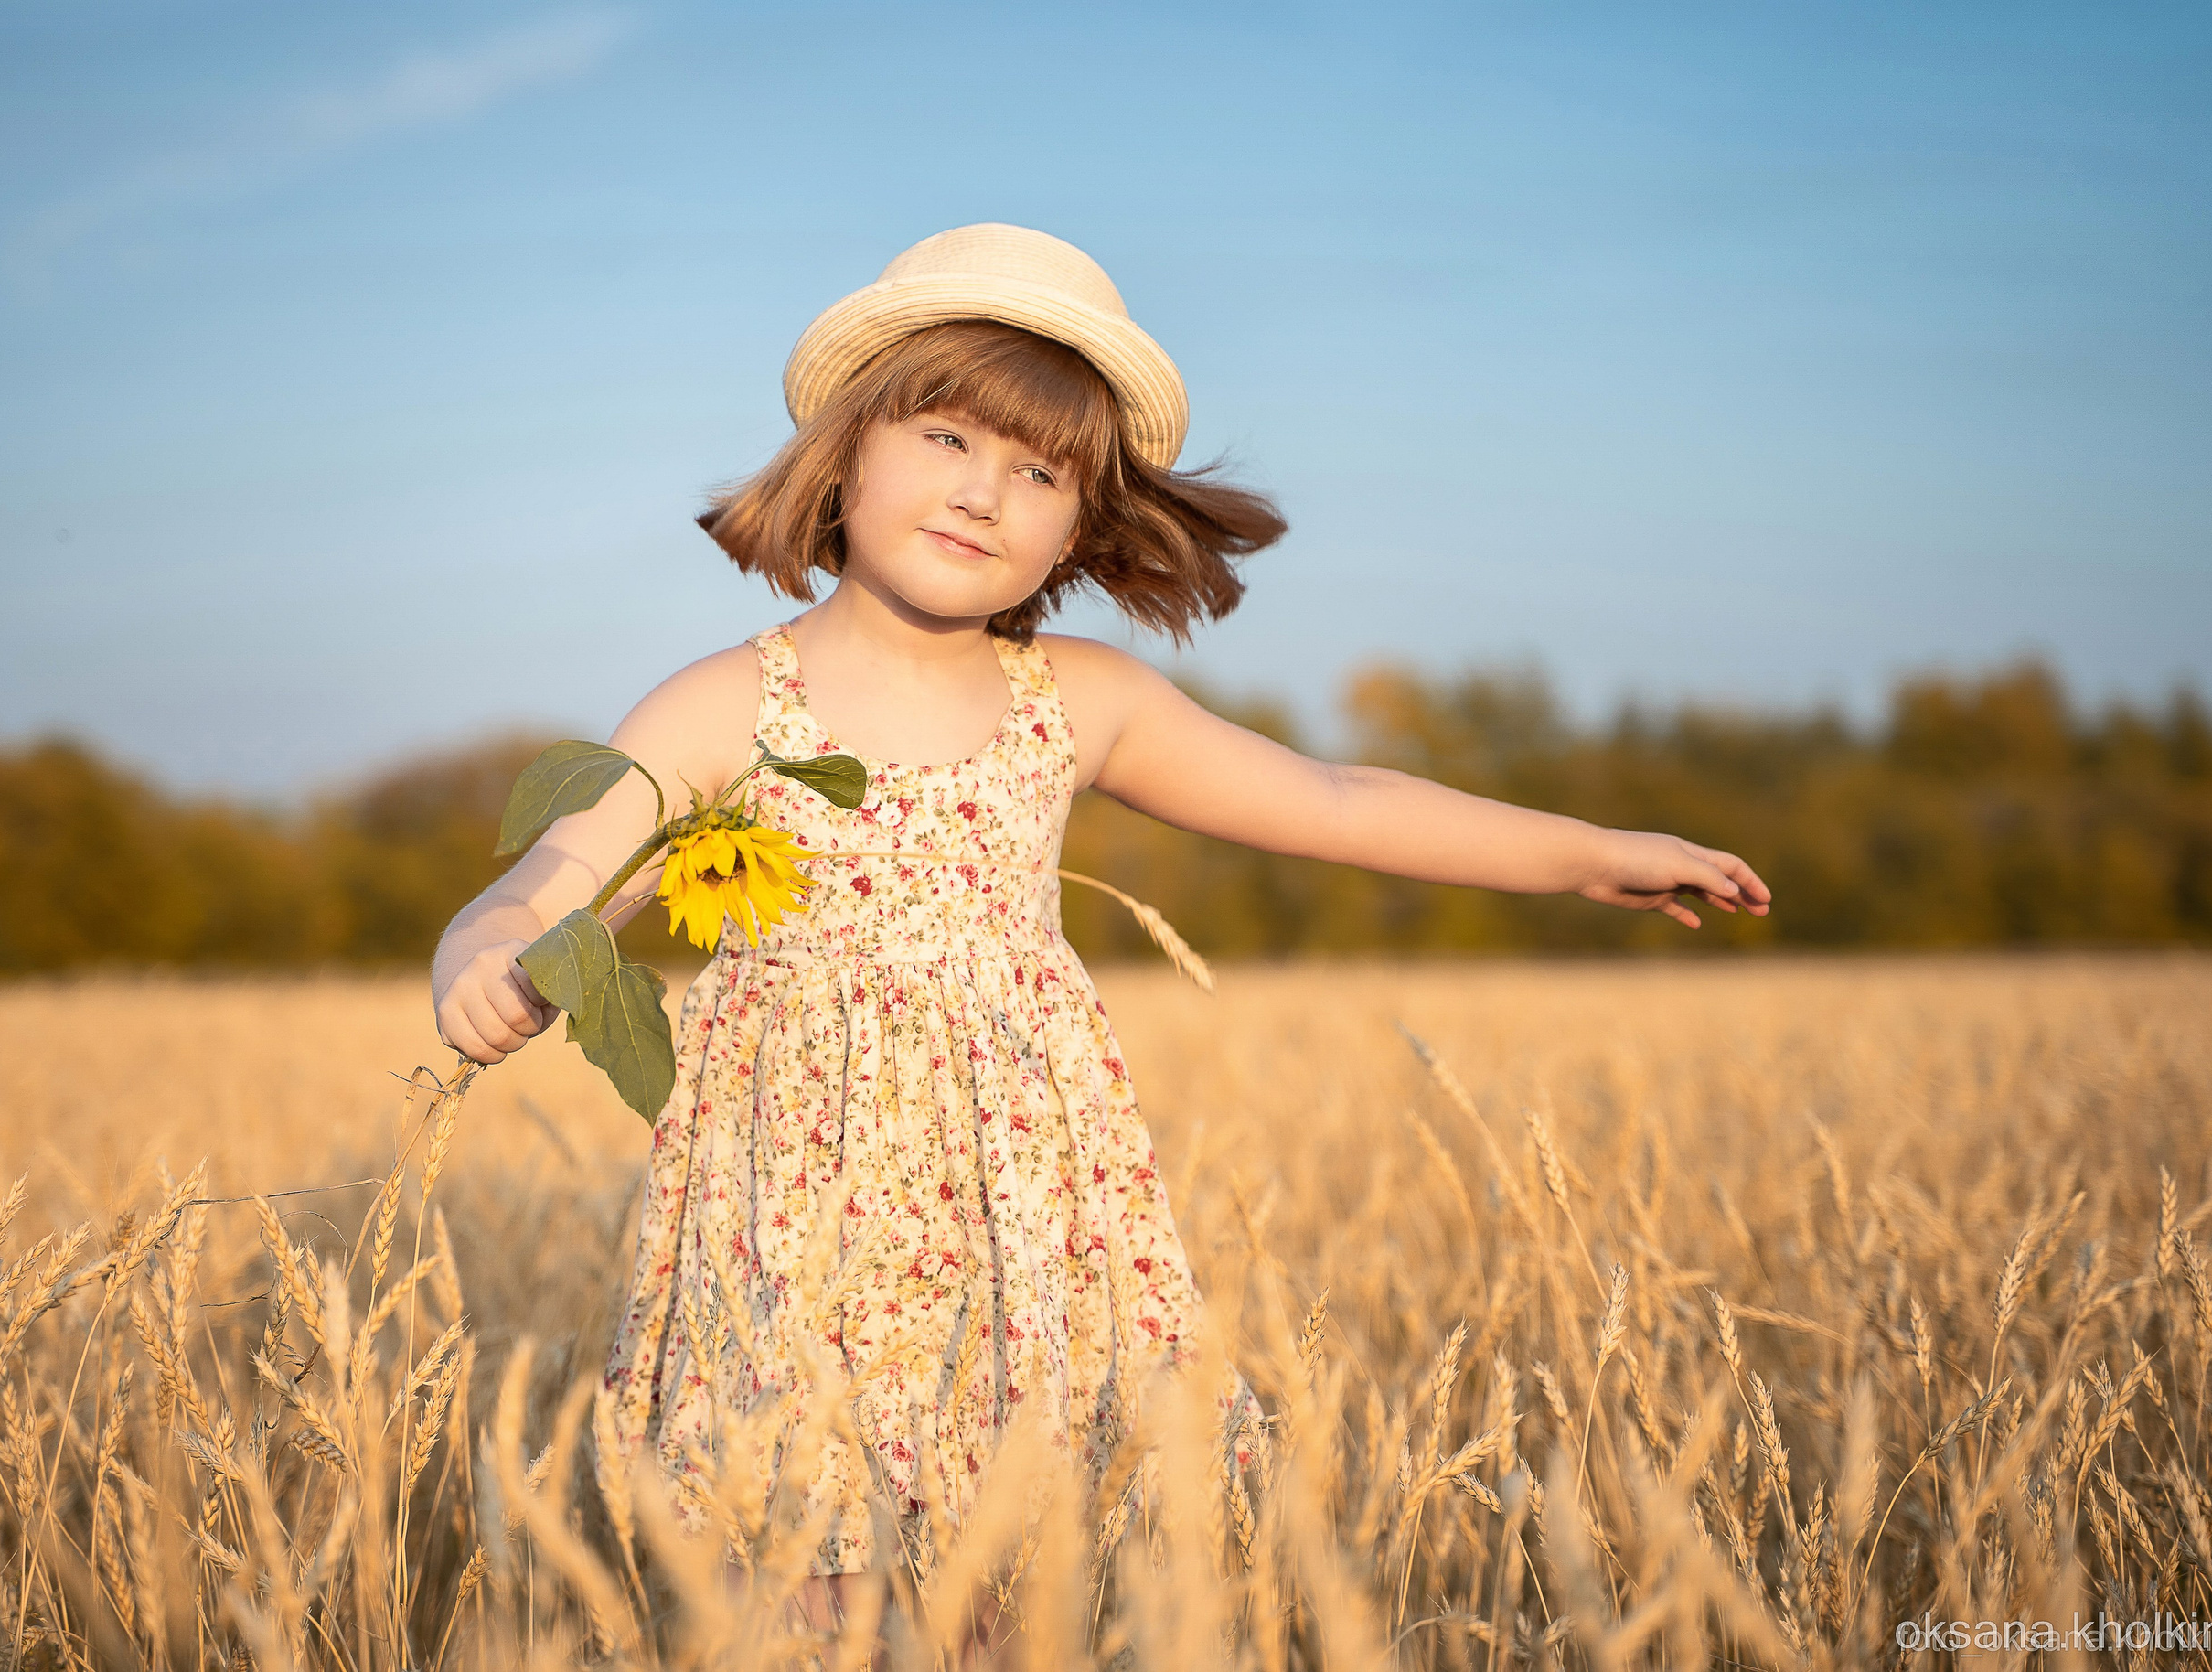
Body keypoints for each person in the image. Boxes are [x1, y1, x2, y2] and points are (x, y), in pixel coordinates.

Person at [429, 223, 1772, 1657]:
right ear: (847, 450)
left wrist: (1586, 853)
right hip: (792, 1217)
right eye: (947, 434)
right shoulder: (724, 704)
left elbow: (1331, 799)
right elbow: (569, 866)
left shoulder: (1079, 699)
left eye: (1041, 472)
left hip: (1023, 1219)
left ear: (1082, 526)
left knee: (1013, 1587)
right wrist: (490, 952)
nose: (983, 491)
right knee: (799, 1584)